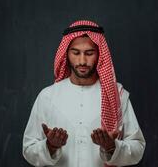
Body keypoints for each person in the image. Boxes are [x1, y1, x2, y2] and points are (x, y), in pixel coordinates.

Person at [22, 20, 146, 167]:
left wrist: (112, 147)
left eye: (89, 53)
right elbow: (28, 149)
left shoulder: (118, 95)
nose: (82, 60)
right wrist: (50, 146)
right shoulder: (48, 96)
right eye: (75, 53)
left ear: (99, 55)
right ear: (66, 54)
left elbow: (137, 149)